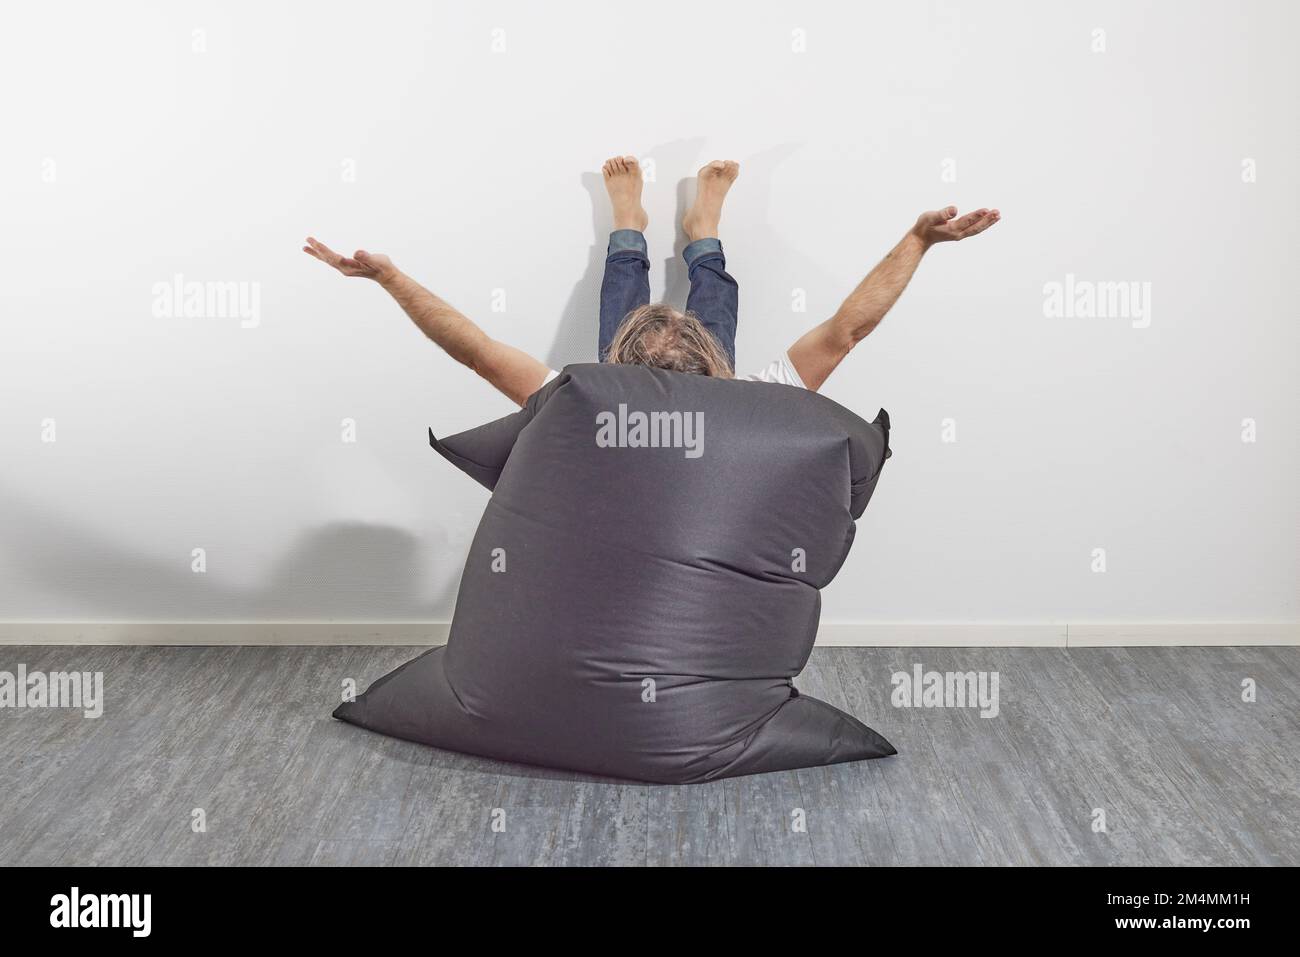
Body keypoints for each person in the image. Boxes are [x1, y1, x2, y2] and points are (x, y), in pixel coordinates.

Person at [303, 155, 999, 404]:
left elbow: (476, 349)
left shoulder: (592, 394)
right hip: (705, 390)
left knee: (628, 315)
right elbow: (846, 333)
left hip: (626, 388)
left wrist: (393, 280)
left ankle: (631, 224)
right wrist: (916, 241)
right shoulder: (741, 397)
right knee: (715, 303)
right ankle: (702, 235)